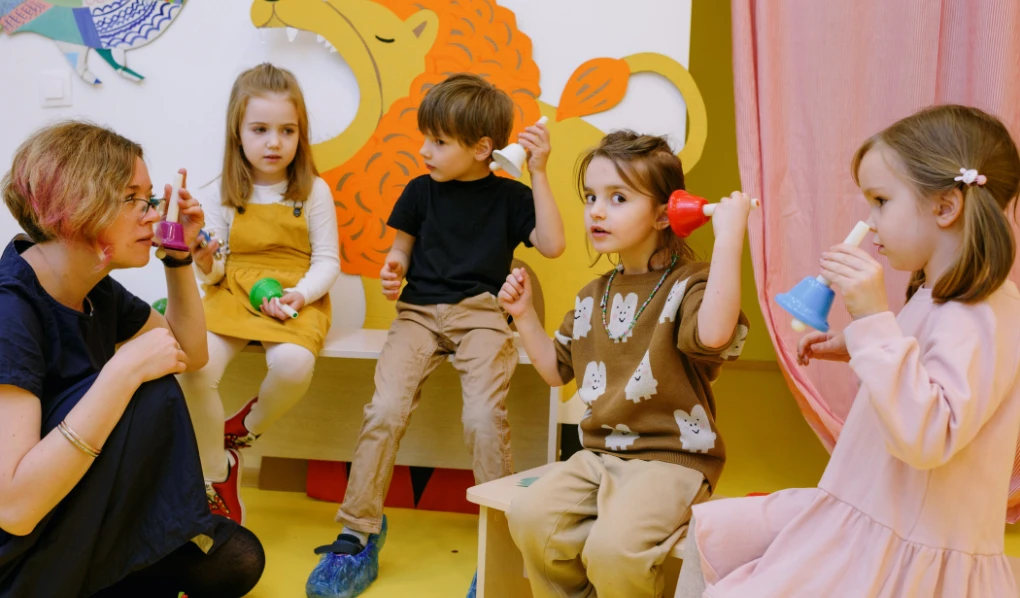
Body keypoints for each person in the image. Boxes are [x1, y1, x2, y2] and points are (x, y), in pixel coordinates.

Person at [676, 104, 1020, 597]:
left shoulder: (979, 311)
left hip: (898, 555)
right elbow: (917, 379)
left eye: (881, 201)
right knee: (716, 530)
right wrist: (858, 344)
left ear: (946, 207)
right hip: (865, 516)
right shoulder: (940, 295)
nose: (870, 222)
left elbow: (926, 436)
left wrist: (874, 321)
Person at [305, 72, 566, 598]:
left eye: (439, 142)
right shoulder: (419, 191)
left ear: (482, 149)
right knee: (384, 410)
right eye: (426, 138)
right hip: (418, 314)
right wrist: (393, 269)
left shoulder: (511, 197)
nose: (425, 150)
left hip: (482, 314)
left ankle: (501, 545)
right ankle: (357, 532)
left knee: (483, 419)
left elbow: (553, 245)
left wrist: (539, 170)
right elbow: (400, 250)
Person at [0, 121, 264, 597]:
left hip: (82, 505)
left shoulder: (95, 289)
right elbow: (15, 509)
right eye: (132, 199)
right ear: (76, 205)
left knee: (238, 559)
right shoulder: (9, 311)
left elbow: (190, 352)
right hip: (23, 546)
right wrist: (121, 374)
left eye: (150, 199)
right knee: (148, 386)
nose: (152, 215)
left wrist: (178, 256)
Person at [500, 131, 751, 598]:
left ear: (664, 214)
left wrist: (729, 241)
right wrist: (525, 316)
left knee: (613, 551)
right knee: (530, 517)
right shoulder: (592, 294)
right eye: (591, 197)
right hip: (599, 455)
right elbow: (555, 371)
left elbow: (715, 335)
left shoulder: (692, 283)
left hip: (673, 461)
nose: (597, 211)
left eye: (618, 198)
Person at [177, 63, 340, 525]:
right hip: (233, 290)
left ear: (300, 134)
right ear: (238, 131)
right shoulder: (220, 192)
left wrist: (300, 295)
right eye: (261, 129)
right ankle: (217, 472)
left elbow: (328, 261)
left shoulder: (314, 191)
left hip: (293, 293)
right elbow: (216, 273)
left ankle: (243, 431)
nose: (274, 142)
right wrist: (204, 261)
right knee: (195, 369)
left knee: (292, 365)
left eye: (287, 130)